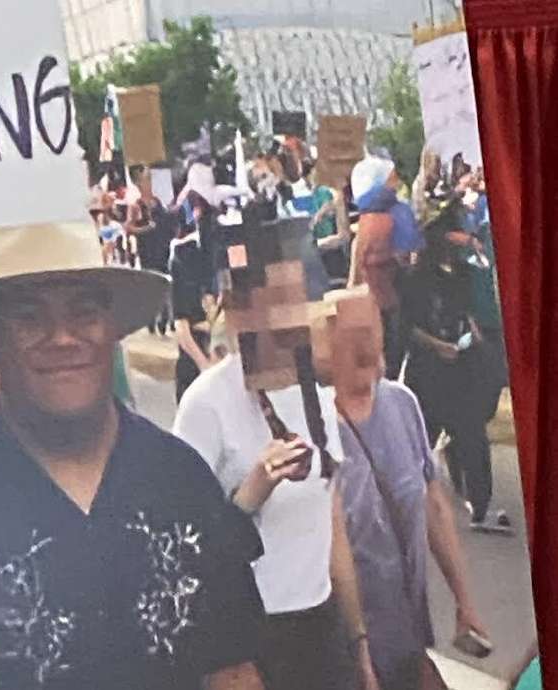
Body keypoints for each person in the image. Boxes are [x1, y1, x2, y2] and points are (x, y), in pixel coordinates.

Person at [0, 222, 268, 690]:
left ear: (112, 329)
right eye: (30, 318)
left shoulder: (180, 477)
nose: (62, 337)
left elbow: (234, 666)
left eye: (84, 312)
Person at [175, 218, 377, 690]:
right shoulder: (206, 403)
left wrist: (358, 645)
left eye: (292, 299)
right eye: (264, 302)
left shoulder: (318, 398)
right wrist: (253, 490)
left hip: (321, 632)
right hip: (249, 646)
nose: (282, 317)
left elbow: (333, 532)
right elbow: (185, 549)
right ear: (233, 307)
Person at [321, 288, 491, 689]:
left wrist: (464, 602)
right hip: (345, 650)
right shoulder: (315, 427)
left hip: (409, 635)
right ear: (328, 343)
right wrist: (360, 654)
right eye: (355, 335)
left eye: (372, 331)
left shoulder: (402, 404)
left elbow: (433, 507)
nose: (368, 346)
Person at [401, 205, 511, 532]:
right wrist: (437, 346)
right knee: (421, 441)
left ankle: (480, 506)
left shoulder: (462, 272)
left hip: (463, 367)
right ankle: (406, 505)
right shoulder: (416, 278)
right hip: (430, 372)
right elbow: (407, 328)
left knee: (474, 432)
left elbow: (467, 311)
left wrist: (480, 344)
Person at [348, 156, 415, 380]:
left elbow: (354, 278)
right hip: (389, 305)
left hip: (370, 307)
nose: (396, 184)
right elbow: (408, 259)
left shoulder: (364, 226)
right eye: (391, 179)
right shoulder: (393, 218)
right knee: (391, 363)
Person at [169, 208, 216, 402]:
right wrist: (204, 366)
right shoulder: (183, 261)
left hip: (213, 366)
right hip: (194, 371)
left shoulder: (219, 258)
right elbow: (182, 329)